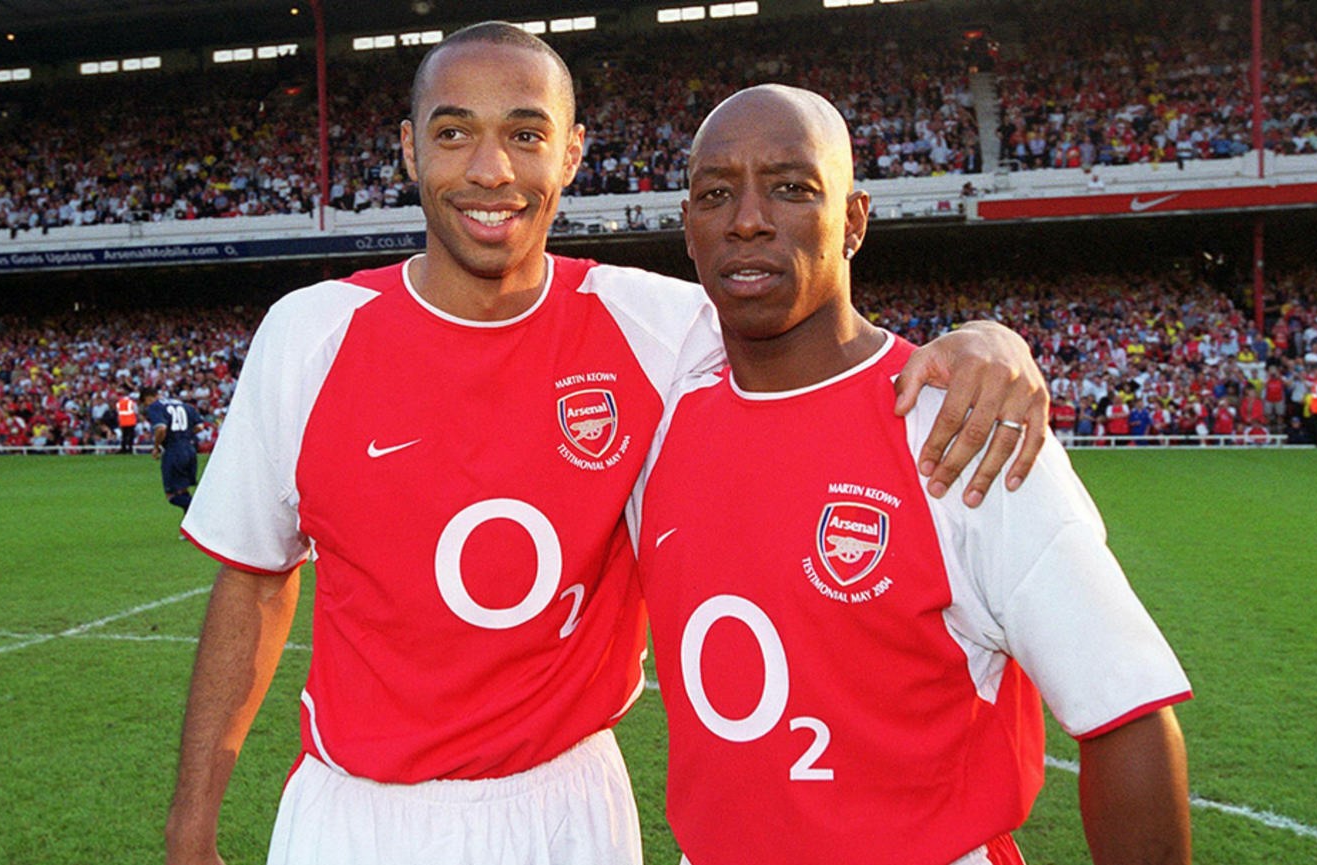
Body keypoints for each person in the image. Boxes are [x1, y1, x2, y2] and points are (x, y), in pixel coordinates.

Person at [165, 24, 1050, 865]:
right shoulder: (310, 335)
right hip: (355, 813)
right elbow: (255, 578)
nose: (491, 170)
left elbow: (823, 338)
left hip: (569, 805)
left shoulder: (661, 327)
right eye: (454, 133)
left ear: (572, 154)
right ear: (408, 150)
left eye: (525, 135)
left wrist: (987, 338)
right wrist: (190, 827)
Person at [631, 84, 1192, 865]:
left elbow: (1124, 712)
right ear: (687, 227)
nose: (747, 219)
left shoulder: (959, 424)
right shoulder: (656, 426)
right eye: (715, 194)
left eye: (791, 188)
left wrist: (993, 339)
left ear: (854, 220)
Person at [140, 386, 202, 516]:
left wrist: (156, 446)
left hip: (174, 450)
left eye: (145, 403)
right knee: (183, 490)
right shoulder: (183, 404)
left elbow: (161, 428)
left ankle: (202, 508)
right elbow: (200, 426)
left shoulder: (156, 406)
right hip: (189, 449)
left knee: (172, 495)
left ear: (148, 398)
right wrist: (185, 435)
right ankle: (190, 525)